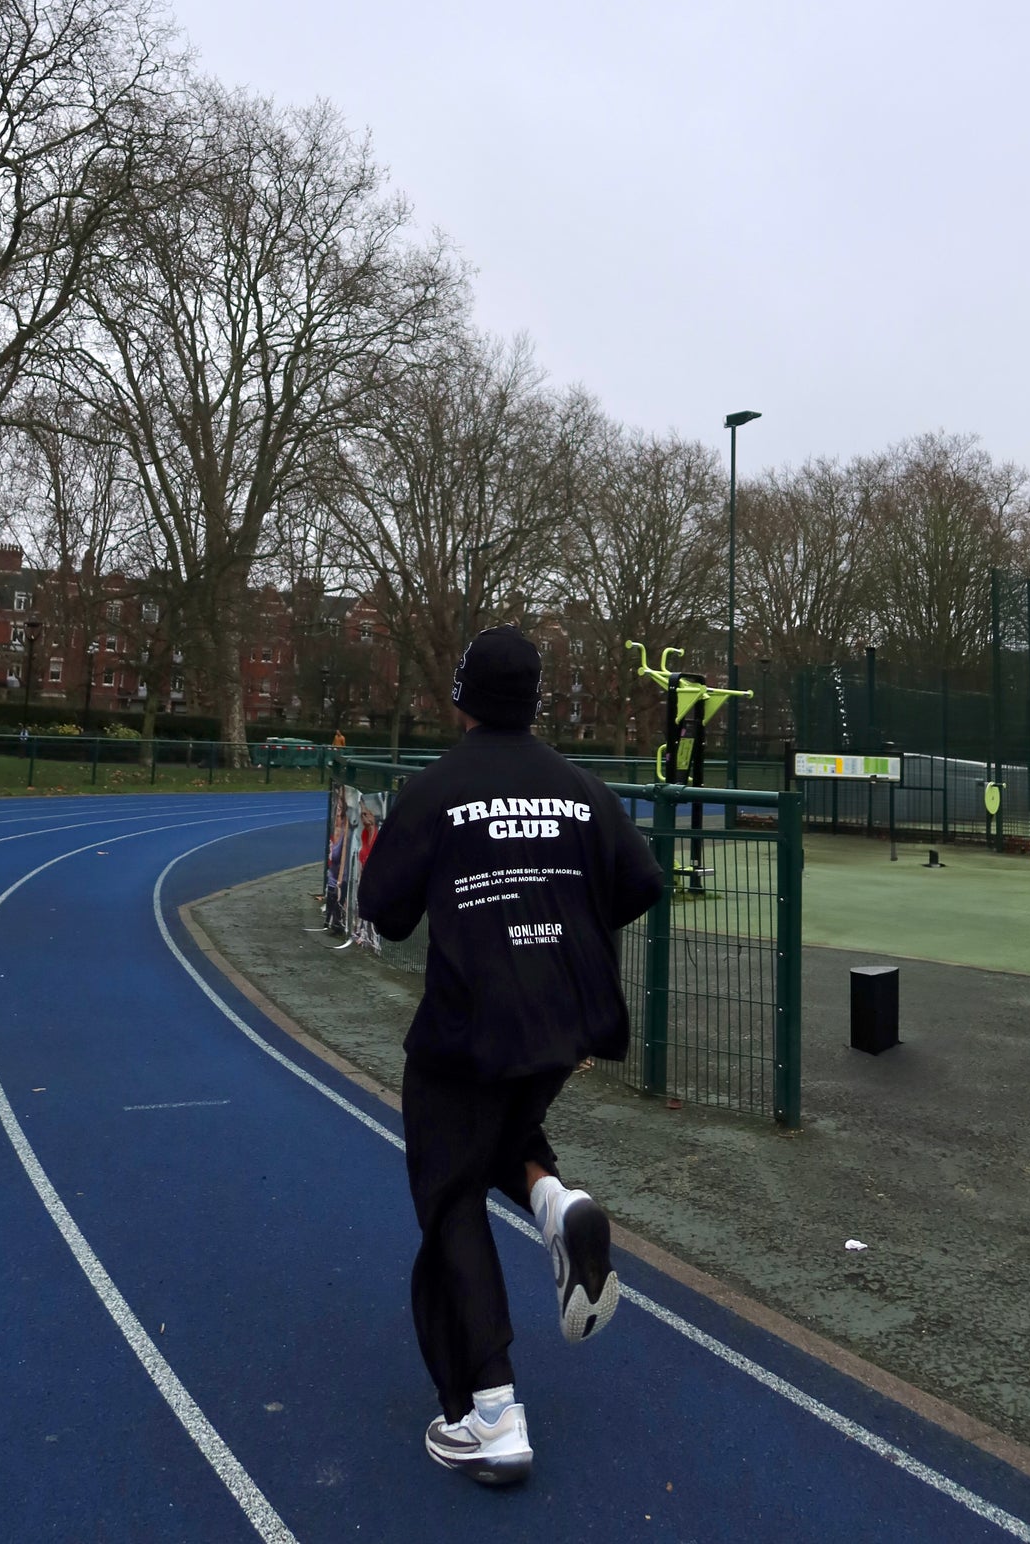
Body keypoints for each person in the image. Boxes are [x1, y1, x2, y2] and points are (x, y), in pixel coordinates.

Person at [358, 625, 664, 1488]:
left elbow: (384, 911)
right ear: (535, 701)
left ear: (461, 697)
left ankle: (490, 1414)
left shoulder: (436, 789)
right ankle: (558, 1206)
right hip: (563, 1022)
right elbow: (641, 883)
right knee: (497, 1139)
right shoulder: (579, 787)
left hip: (469, 1024)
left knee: (448, 1191)